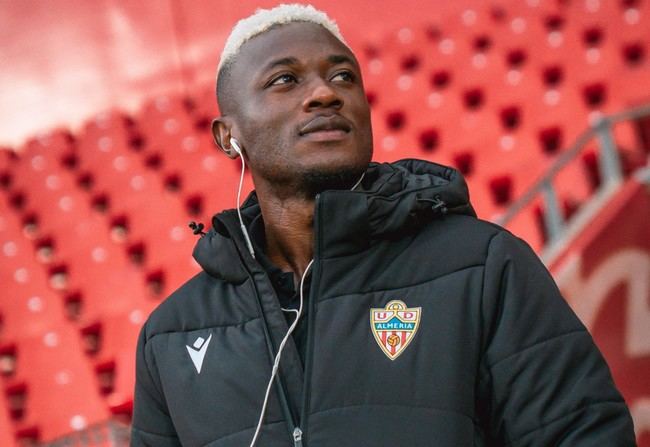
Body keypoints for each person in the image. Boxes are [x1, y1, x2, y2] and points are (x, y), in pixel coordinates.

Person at [131, 4, 635, 446]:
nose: (325, 93)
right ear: (228, 136)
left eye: (343, 76)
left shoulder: (484, 266)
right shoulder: (170, 336)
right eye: (285, 80)